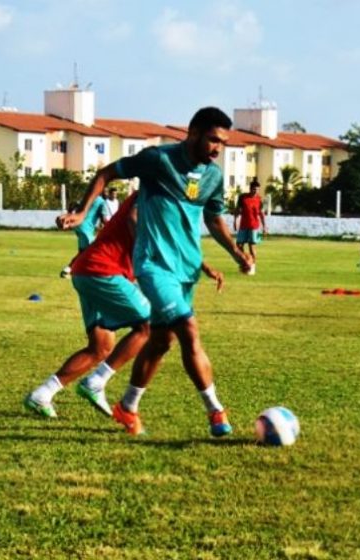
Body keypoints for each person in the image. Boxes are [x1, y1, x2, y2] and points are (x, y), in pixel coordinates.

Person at [59, 107, 252, 437]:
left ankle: (128, 405)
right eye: (212, 140)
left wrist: (236, 252)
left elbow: (213, 218)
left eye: (222, 143)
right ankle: (216, 411)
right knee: (189, 330)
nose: (217, 148)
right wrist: (81, 212)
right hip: (153, 266)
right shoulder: (157, 160)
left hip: (186, 270)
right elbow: (107, 173)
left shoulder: (213, 176)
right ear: (192, 133)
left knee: (162, 342)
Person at [26, 193, 225, 419]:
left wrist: (206, 268)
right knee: (149, 326)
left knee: (100, 347)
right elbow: (133, 218)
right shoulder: (154, 191)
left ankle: (42, 394)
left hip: (85, 271)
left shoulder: (167, 202)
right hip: (104, 270)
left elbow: (174, 247)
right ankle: (96, 381)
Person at [60, 195, 106, 278]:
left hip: (77, 225)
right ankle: (94, 274)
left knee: (82, 252)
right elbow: (104, 219)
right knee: (94, 252)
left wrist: (69, 215)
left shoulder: (88, 197)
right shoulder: (102, 202)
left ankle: (67, 270)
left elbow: (73, 204)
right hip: (86, 228)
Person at [233, 178, 267, 273]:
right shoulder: (243, 197)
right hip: (243, 225)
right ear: (250, 188)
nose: (255, 191)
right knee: (239, 246)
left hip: (254, 226)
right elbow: (237, 210)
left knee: (252, 247)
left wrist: (264, 226)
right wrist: (235, 221)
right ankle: (244, 264)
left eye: (257, 190)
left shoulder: (259, 199)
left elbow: (261, 214)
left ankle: (252, 267)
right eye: (254, 189)